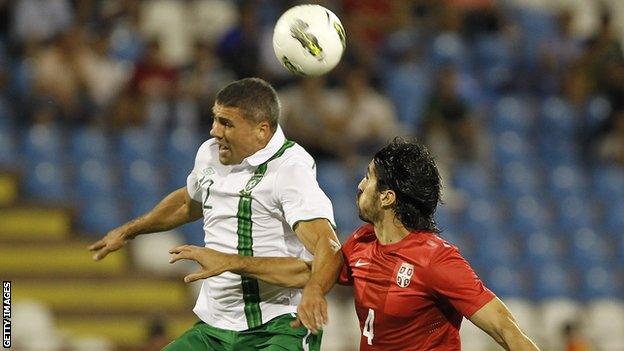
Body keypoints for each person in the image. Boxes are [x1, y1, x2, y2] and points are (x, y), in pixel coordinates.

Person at [170, 138, 541, 350]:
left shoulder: (435, 260)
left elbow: (505, 328)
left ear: (387, 198)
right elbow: (311, 271)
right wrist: (233, 262)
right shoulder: (363, 243)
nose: (360, 186)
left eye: (369, 178)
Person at [88, 77, 343, 350]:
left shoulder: (290, 168)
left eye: (226, 123)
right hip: (216, 330)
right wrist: (128, 231)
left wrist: (314, 291)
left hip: (278, 326)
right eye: (215, 119)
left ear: (262, 130)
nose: (214, 131)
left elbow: (328, 247)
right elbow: (187, 203)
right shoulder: (210, 155)